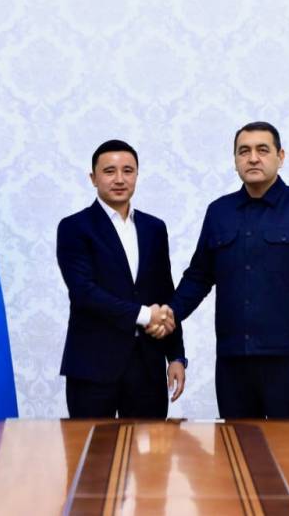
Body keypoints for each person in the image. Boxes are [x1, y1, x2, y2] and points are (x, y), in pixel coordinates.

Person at [151, 122, 289, 419]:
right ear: (235, 160)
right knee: (235, 446)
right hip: (233, 364)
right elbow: (199, 277)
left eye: (262, 150)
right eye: (244, 151)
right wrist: (169, 315)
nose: (253, 158)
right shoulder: (219, 212)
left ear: (280, 156)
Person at [57, 139, 187, 418]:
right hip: (93, 366)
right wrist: (145, 315)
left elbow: (165, 293)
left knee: (151, 447)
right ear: (93, 178)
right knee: (92, 446)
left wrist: (176, 356)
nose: (119, 179)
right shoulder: (74, 227)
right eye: (109, 171)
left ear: (137, 175)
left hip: (147, 366)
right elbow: (83, 292)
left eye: (128, 171)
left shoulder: (154, 228)